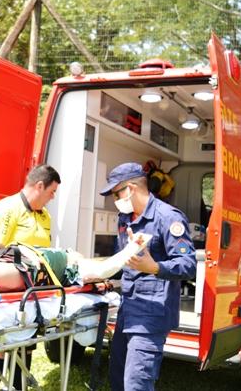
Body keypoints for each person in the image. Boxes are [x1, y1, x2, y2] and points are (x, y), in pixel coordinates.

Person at [99, 162, 196, 391]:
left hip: (151, 316)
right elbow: (123, 258)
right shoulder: (125, 219)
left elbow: (188, 265)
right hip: (128, 310)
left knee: (137, 384)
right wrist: (103, 275)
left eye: (116, 193)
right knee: (118, 378)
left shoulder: (168, 217)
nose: (115, 199)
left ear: (131, 189)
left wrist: (154, 267)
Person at [0, 164, 61, 390]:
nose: (53, 197)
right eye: (51, 191)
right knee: (1, 347)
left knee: (25, 346)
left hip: (32, 292)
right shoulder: (7, 208)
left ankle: (18, 387)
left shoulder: (44, 216)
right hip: (8, 291)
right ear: (39, 185)